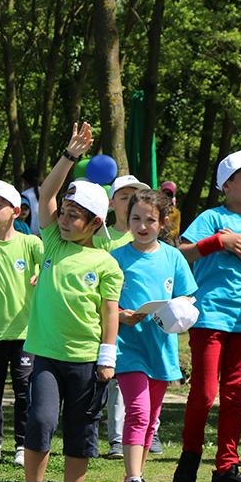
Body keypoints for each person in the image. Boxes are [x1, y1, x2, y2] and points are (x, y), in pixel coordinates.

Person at [13, 123, 123, 482]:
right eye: (65, 212)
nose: (65, 219)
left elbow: (110, 313)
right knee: (40, 421)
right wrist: (70, 156)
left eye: (76, 217)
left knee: (80, 430)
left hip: (87, 360)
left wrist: (106, 357)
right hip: (45, 355)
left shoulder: (106, 263)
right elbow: (46, 193)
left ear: (95, 224)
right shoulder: (53, 242)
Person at [173, 150, 241, 482]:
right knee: (203, 393)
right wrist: (217, 242)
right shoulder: (211, 218)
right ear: (225, 185)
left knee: (235, 396)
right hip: (209, 316)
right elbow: (180, 253)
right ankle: (189, 459)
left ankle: (227, 469)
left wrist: (238, 249)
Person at [110, 188, 197, 482]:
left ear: (163, 223)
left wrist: (178, 310)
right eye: (136, 218)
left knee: (151, 418)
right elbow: (103, 305)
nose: (142, 225)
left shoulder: (173, 257)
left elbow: (187, 297)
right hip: (127, 346)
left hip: (161, 348)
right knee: (138, 411)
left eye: (150, 220)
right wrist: (124, 316)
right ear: (127, 219)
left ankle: (137, 477)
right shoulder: (116, 258)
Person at [0, 181, 43, 468]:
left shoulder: (30, 243)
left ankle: (22, 443)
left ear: (16, 211)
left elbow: (52, 263)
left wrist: (43, 274)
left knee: (24, 390)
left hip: (25, 333)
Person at [99, 175, 148, 459]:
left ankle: (144, 432)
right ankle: (116, 436)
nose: (129, 202)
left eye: (135, 196)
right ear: (110, 203)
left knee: (144, 379)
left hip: (143, 324)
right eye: (123, 196)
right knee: (113, 379)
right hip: (109, 319)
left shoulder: (144, 234)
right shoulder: (100, 238)